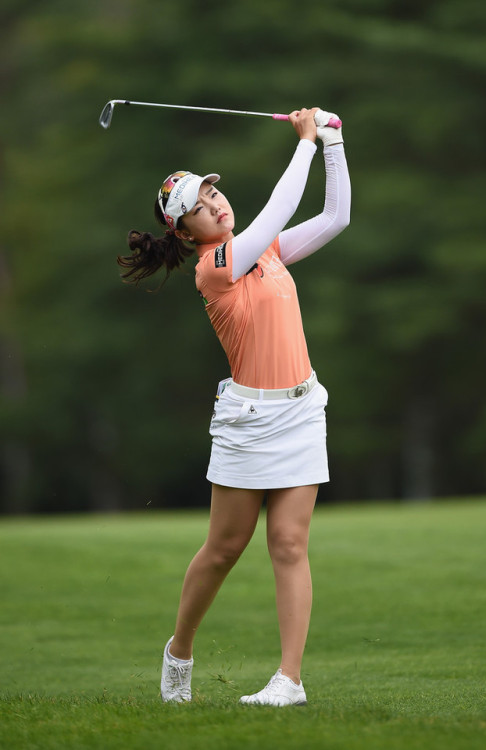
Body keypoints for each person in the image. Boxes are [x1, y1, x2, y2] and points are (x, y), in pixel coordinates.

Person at [117, 107, 351, 706]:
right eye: (200, 205)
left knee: (290, 545)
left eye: (213, 192)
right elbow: (278, 208)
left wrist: (333, 144)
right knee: (224, 549)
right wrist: (302, 142)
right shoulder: (214, 268)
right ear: (186, 232)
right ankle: (180, 650)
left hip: (302, 411)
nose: (216, 203)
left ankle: (289, 681)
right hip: (249, 423)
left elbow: (334, 217)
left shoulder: (265, 250)